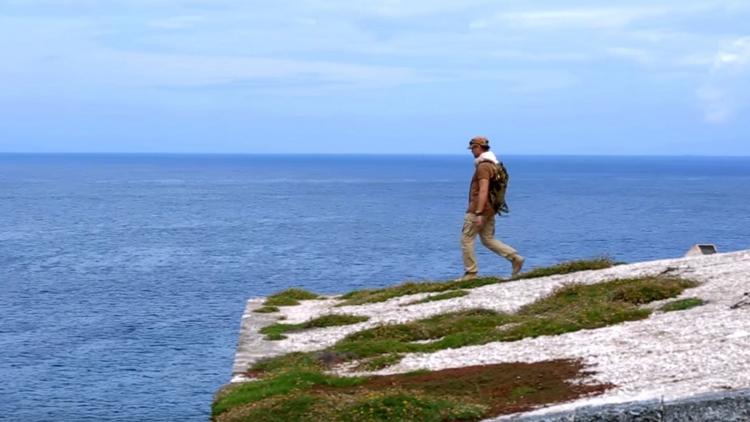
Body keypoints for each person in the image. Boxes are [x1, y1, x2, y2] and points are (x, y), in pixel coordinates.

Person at [459, 136, 524, 280]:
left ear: (479, 148)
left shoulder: (483, 166)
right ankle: (515, 258)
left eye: (473, 148)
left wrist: (478, 213)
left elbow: (483, 190)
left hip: (479, 209)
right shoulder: (494, 164)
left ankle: (471, 273)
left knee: (466, 239)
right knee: (487, 239)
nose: (472, 151)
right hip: (491, 209)